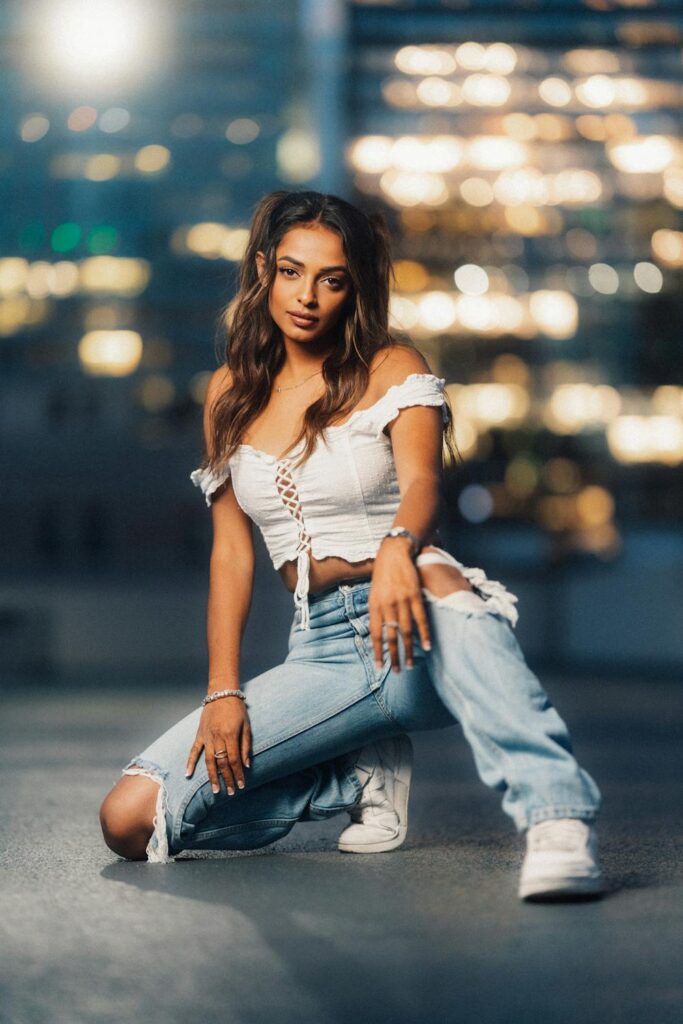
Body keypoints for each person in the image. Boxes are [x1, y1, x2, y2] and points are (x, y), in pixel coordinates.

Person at [99, 190, 603, 901]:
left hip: (409, 610)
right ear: (263, 270)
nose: (307, 296)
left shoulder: (392, 366)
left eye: (331, 280)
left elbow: (425, 483)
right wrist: (223, 690)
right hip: (321, 650)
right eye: (291, 272)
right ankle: (347, 777)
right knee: (127, 819)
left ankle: (558, 821)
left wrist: (400, 546)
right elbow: (232, 554)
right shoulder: (229, 393)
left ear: (354, 287)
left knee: (439, 580)